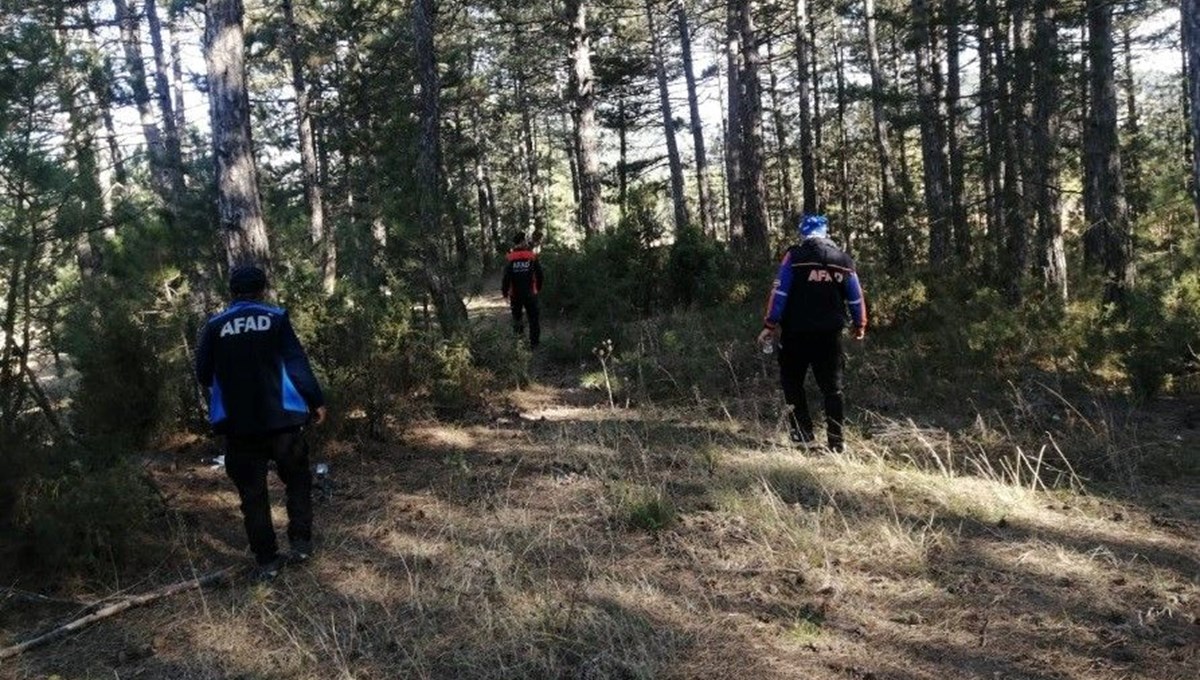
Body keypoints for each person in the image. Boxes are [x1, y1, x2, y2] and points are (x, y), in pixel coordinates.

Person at [195, 265, 327, 581]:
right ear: (262, 289)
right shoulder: (276, 318)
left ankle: (267, 560)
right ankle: (301, 544)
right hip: (283, 420)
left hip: (239, 426)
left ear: (232, 292)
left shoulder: (214, 326)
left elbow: (203, 373)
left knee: (253, 495)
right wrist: (315, 400)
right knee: (297, 481)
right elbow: (296, 365)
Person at [757, 214, 867, 452]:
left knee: (792, 383)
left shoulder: (794, 257)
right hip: (829, 335)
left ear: (803, 233)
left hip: (796, 333)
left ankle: (802, 436)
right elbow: (856, 296)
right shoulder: (843, 260)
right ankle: (837, 442)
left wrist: (770, 324)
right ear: (825, 232)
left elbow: (780, 292)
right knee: (833, 388)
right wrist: (860, 324)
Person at [501, 232, 544, 348]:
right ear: (522, 241)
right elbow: (539, 274)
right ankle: (534, 344)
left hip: (515, 294)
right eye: (525, 240)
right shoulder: (531, 256)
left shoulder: (510, 258)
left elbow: (506, 278)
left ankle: (519, 344)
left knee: (517, 319)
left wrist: (505, 293)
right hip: (531, 293)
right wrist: (538, 288)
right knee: (533, 319)